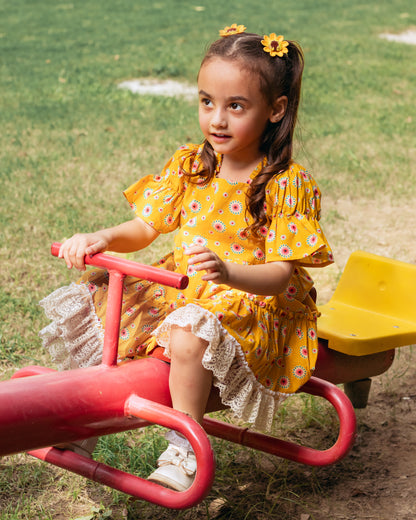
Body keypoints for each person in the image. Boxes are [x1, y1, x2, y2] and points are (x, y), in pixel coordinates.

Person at [40, 24, 334, 491]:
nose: (217, 119)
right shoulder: (192, 166)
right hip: (188, 286)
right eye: (206, 102)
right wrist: (102, 237)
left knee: (188, 327)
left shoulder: (284, 183)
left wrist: (227, 270)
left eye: (235, 106)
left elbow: (280, 276)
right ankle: (86, 426)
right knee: (105, 293)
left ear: (276, 110)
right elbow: (145, 228)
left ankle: (184, 446)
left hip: (251, 300)